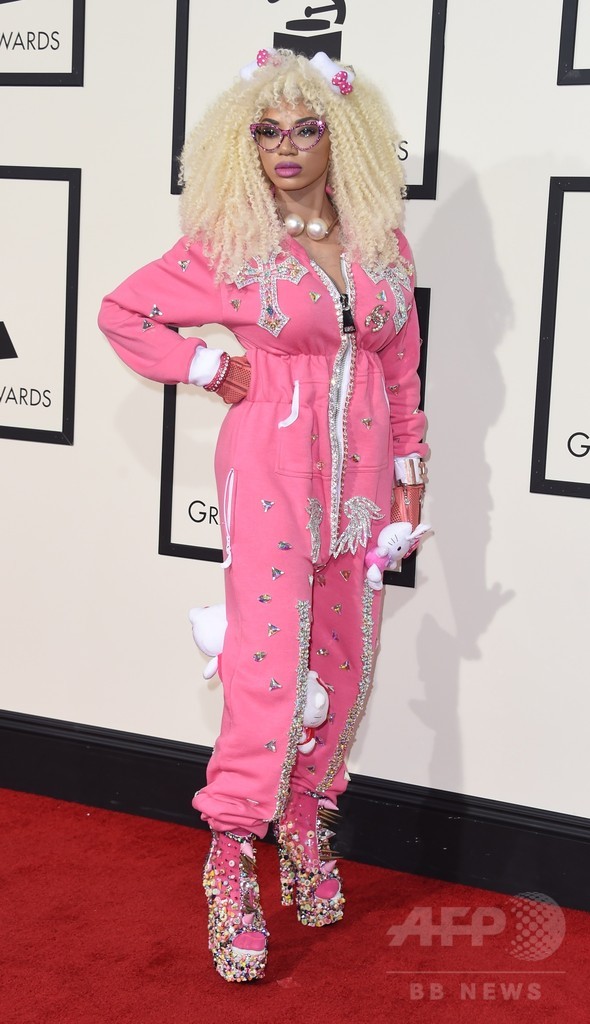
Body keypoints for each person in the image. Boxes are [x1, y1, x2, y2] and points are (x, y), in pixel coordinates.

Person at [98, 47, 429, 984]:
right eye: (267, 131)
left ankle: (306, 817)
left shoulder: (381, 243)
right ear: (243, 144)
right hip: (270, 471)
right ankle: (233, 853)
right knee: (268, 662)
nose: (286, 147)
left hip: (362, 479)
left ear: (341, 137)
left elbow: (399, 361)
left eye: (306, 128)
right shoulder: (232, 243)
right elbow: (125, 313)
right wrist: (207, 365)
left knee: (347, 656)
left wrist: (411, 464)